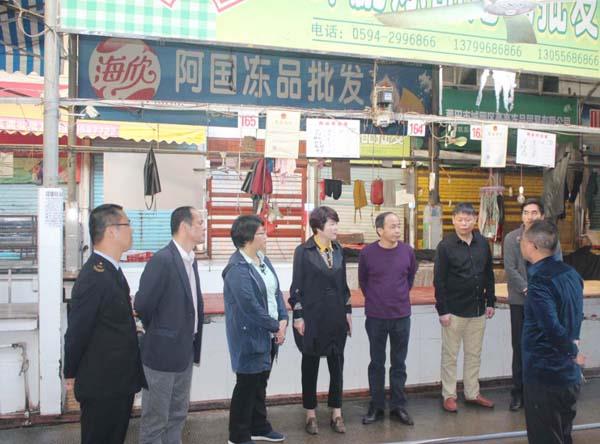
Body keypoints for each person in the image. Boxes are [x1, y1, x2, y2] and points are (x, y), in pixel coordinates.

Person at [64, 203, 146, 444]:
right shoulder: (94, 277)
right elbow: (77, 331)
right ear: (111, 231)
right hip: (102, 385)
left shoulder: (111, 271)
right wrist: (70, 372)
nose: (131, 230)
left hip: (118, 382)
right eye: (127, 224)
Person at [134, 206, 205, 444]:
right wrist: (162, 332)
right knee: (156, 420)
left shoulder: (190, 260)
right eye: (200, 223)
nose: (204, 227)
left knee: (177, 415)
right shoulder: (163, 260)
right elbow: (143, 305)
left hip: (184, 351)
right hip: (161, 354)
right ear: (185, 227)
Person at [222, 215, 289, 444]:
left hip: (268, 332)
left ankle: (259, 426)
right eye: (261, 233)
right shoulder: (237, 268)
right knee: (247, 385)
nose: (265, 236)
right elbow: (249, 306)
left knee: (260, 383)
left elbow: (276, 292)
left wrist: (283, 318)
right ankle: (238, 435)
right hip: (249, 335)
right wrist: (276, 326)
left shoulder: (262, 259)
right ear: (248, 238)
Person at [520, 219, 585, 444]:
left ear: (533, 246)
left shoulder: (540, 281)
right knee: (563, 435)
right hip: (568, 376)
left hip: (545, 375)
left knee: (545, 437)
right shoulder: (571, 274)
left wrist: (572, 352)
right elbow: (575, 316)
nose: (521, 243)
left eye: (523, 240)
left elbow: (552, 327)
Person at [289, 206, 352, 435]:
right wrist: (298, 316)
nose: (336, 228)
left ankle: (337, 412)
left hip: (336, 316)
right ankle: (310, 414)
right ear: (318, 227)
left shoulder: (338, 249)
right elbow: (296, 288)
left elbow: (344, 286)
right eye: (332, 224)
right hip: (312, 317)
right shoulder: (303, 251)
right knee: (310, 365)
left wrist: (348, 312)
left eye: (336, 223)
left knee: (337, 365)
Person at [434, 202, 496, 413]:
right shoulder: (445, 246)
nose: (464, 223)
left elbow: (488, 274)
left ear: (475, 220)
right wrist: (442, 310)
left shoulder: (482, 243)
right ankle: (449, 395)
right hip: (454, 310)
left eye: (468, 219)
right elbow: (439, 280)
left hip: (478, 309)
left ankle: (472, 393)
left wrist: (491, 301)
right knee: (450, 356)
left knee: (474, 354)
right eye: (460, 219)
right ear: (453, 220)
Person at [503, 197, 562, 411]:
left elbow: (557, 265)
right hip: (520, 302)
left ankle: (539, 393)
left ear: (542, 216)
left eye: (534, 212)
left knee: (543, 347)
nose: (529, 217)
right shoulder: (512, 238)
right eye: (526, 212)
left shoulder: (551, 239)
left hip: (545, 303)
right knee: (520, 347)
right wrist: (528, 289)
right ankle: (518, 393)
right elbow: (510, 269)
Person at [359, 212, 417, 426]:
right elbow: (363, 282)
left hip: (401, 315)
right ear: (380, 230)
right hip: (376, 317)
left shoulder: (407, 251)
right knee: (377, 363)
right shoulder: (367, 253)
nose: (397, 230)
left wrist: (397, 297)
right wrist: (378, 299)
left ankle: (398, 406)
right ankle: (376, 406)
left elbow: (409, 278)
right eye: (392, 226)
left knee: (399, 363)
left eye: (398, 226)